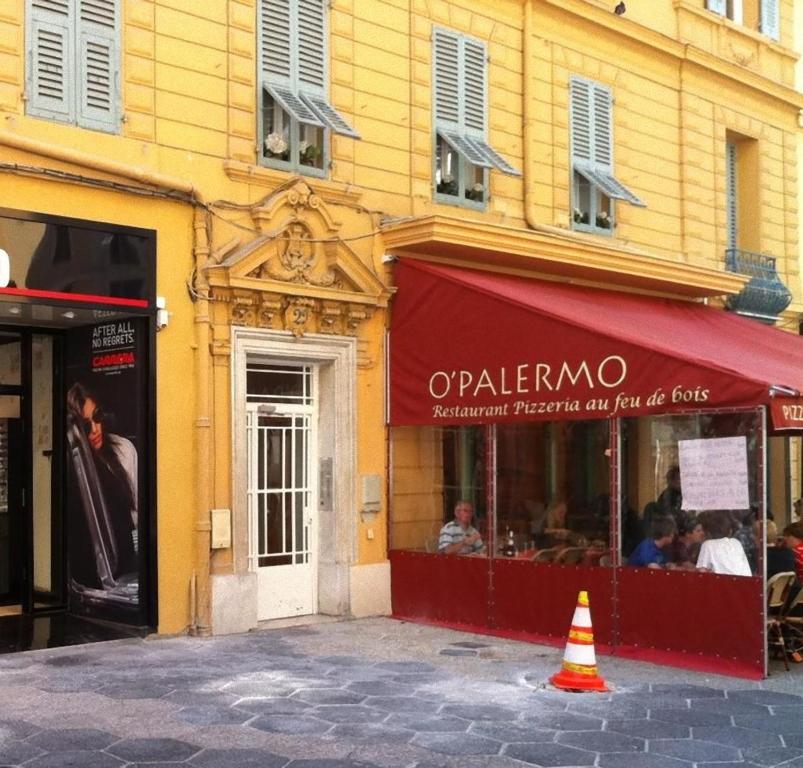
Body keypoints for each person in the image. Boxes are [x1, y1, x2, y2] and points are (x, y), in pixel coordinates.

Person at [66, 382, 138, 579]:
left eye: (97, 417)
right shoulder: (77, 465)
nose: (95, 429)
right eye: (86, 425)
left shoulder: (123, 450)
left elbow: (136, 512)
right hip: (98, 568)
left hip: (126, 560)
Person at [696, 510, 752, 577]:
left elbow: (702, 573)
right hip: (746, 582)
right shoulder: (736, 543)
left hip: (724, 582)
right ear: (729, 531)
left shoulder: (708, 545)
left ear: (708, 532)